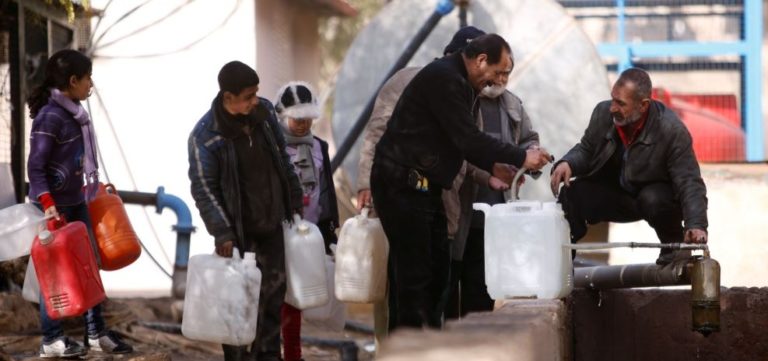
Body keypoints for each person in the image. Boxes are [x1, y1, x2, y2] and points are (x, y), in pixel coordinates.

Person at [371, 34, 552, 330]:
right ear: (481, 60)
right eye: (500, 72)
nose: (500, 80)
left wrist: (495, 167)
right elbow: (469, 139)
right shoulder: (445, 79)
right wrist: (520, 157)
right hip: (401, 186)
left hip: (427, 188)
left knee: (438, 274)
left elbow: (461, 143)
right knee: (414, 282)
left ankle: (427, 346)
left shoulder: (464, 85)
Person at [188, 61, 303, 361]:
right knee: (238, 303)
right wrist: (222, 232)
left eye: (256, 93)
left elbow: (283, 159)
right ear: (228, 97)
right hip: (238, 234)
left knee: (273, 297)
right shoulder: (205, 136)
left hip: (272, 225)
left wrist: (294, 198)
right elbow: (203, 187)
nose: (255, 100)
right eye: (248, 96)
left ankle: (268, 356)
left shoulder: (263, 114)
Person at [27, 49, 133, 358]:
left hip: (76, 202)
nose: (91, 85)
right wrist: (47, 203)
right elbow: (35, 167)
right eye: (88, 79)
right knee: (55, 273)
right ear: (73, 81)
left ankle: (95, 332)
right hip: (52, 207)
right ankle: (52, 339)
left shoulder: (76, 113)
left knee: (90, 266)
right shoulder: (50, 117)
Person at [550, 68, 708, 265]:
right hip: (614, 194)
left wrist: (696, 224)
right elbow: (587, 150)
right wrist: (568, 163)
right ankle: (562, 260)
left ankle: (674, 248)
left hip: (651, 199)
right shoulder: (602, 113)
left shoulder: (671, 130)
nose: (612, 108)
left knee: (653, 198)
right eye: (612, 99)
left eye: (620, 103)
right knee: (572, 194)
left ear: (643, 105)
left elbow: (689, 182)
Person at [444, 49, 541, 319]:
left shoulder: (512, 105)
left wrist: (531, 158)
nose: (500, 79)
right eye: (497, 73)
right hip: (456, 213)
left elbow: (528, 139)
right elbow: (462, 149)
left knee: (481, 294)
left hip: (493, 220)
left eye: (505, 74)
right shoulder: (461, 102)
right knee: (448, 291)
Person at [274, 81, 339, 361]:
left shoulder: (319, 147)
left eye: (308, 119)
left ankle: (293, 355)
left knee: (295, 299)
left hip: (308, 236)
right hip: (277, 233)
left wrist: (329, 232)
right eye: (296, 119)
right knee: (275, 296)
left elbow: (326, 190)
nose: (302, 125)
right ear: (282, 115)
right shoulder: (273, 147)